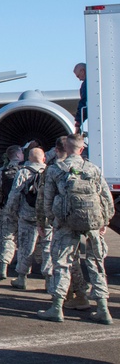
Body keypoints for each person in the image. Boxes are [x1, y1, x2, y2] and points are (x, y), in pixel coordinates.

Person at [37, 134, 114, 324]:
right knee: (96, 264)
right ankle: (103, 309)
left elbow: (46, 200)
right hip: (92, 222)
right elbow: (106, 197)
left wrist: (49, 221)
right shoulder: (93, 169)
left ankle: (57, 307)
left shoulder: (55, 170)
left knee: (62, 263)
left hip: (66, 222)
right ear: (81, 149)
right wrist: (104, 221)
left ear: (66, 148)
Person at [7, 148, 46, 289]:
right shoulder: (50, 171)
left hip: (27, 216)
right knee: (47, 249)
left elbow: (14, 194)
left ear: (29, 158)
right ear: (44, 158)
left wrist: (11, 213)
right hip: (47, 218)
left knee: (25, 247)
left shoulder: (23, 171)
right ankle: (49, 279)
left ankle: (22, 278)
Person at [0, 145, 26, 280]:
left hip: (5, 208)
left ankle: (1, 263)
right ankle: (21, 266)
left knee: (6, 236)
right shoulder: (25, 170)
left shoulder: (1, 171)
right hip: (22, 208)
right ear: (18, 155)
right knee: (24, 238)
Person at [74, 62, 87, 131]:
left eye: (78, 76)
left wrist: (78, 122)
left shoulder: (86, 84)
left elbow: (84, 102)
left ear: (82, 71)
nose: (79, 79)